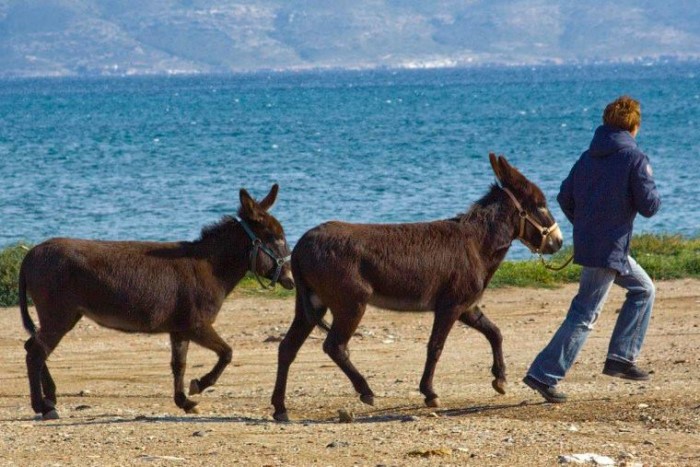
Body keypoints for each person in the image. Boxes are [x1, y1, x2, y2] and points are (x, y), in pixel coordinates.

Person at [523, 95, 661, 403]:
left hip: (601, 245)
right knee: (585, 313)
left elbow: (564, 197)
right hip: (609, 248)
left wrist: (584, 224)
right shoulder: (634, 158)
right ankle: (544, 374)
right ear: (633, 126)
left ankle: (621, 358)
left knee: (644, 290)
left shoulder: (588, 157)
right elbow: (649, 206)